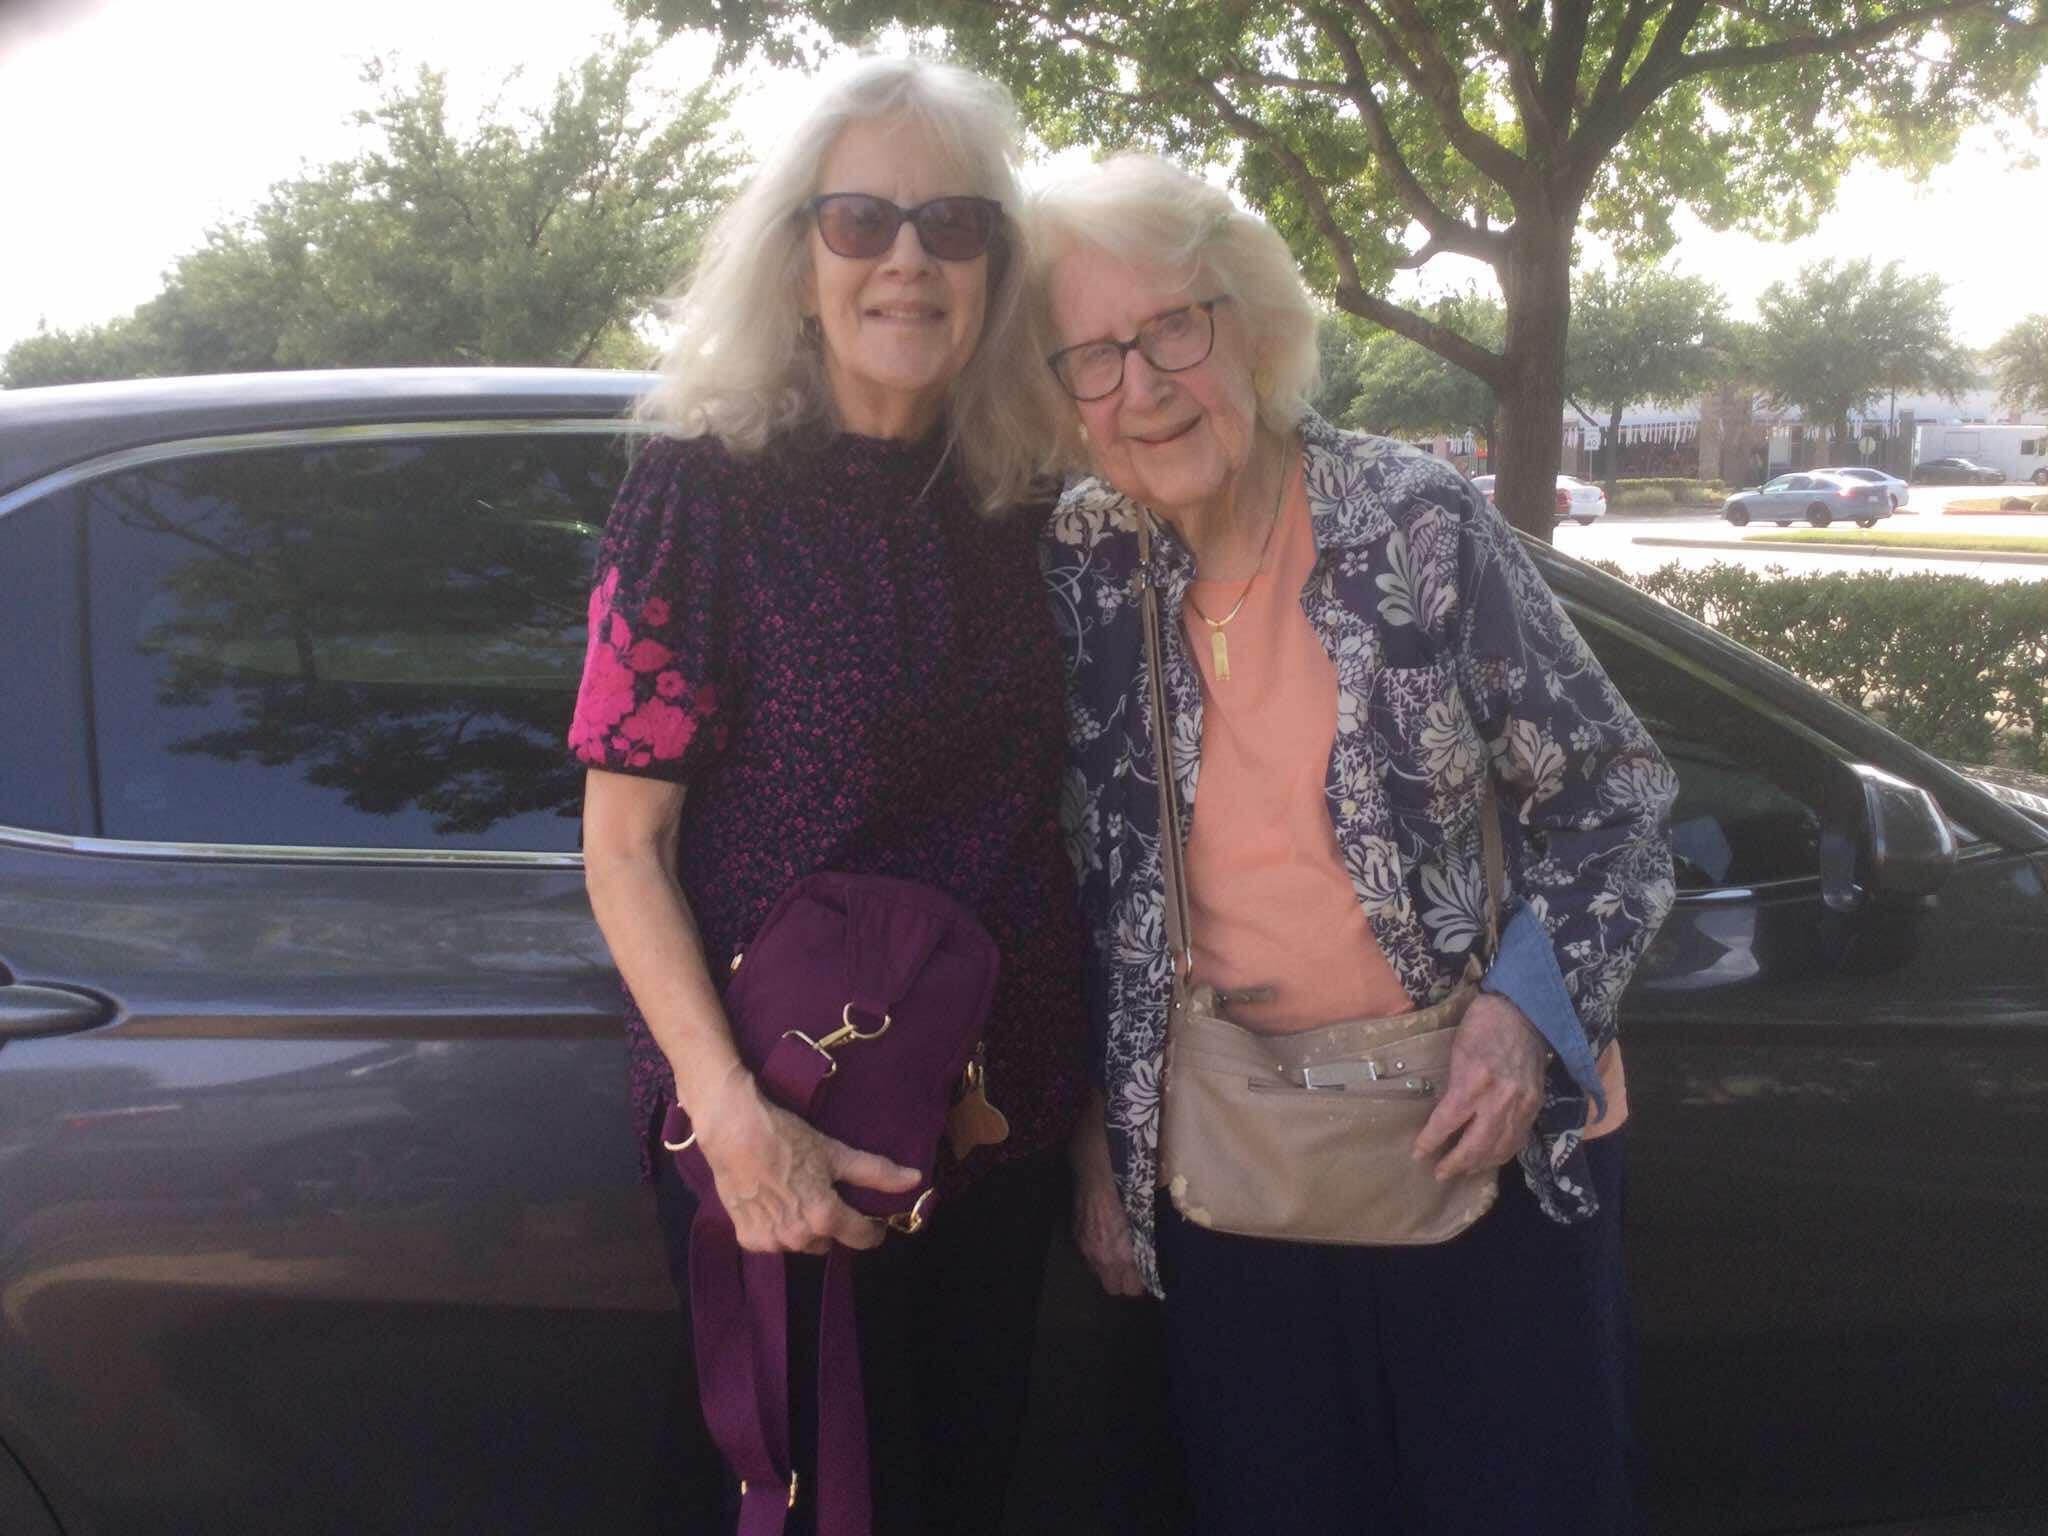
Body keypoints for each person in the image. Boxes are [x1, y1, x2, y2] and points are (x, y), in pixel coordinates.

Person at [1032, 154, 1678, 1535]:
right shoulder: (1082, 563)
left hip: (1473, 1142)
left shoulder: (1415, 525)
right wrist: (1103, 1133)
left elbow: (1614, 793)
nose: (1142, 385)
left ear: (1251, 329)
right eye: (1094, 354)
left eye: (1175, 330)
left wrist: (1526, 1023)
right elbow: (1084, 888)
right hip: (1233, 1165)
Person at [569, 57, 1086, 1536]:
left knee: (950, 1499)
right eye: (860, 221)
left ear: (995, 268)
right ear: (798, 261)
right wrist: (733, 1126)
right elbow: (625, 847)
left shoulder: (1025, 502)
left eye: (953, 225)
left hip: (999, 1140)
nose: (909, 259)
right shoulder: (704, 492)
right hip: (794, 1144)